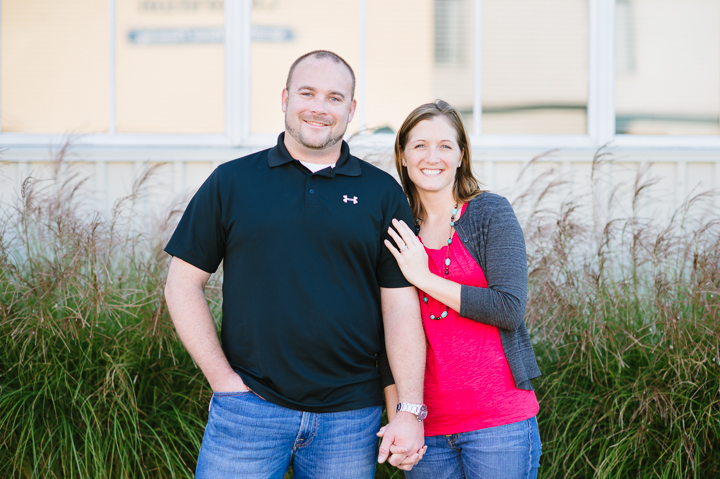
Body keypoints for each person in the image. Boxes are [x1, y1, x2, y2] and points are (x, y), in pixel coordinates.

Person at [163, 50, 427, 478]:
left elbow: (399, 307)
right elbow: (181, 285)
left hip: (349, 418)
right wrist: (224, 383)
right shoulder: (232, 182)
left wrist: (409, 409)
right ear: (285, 98)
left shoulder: (382, 194)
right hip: (249, 410)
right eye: (308, 93)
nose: (320, 108)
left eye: (335, 97)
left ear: (351, 109)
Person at [379, 100, 543, 478]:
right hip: (427, 429)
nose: (431, 157)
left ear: (461, 155)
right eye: (419, 145)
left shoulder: (489, 213)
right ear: (403, 156)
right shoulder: (397, 232)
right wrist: (402, 420)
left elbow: (508, 308)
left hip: (498, 423)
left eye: (444, 146)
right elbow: (385, 336)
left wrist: (424, 277)